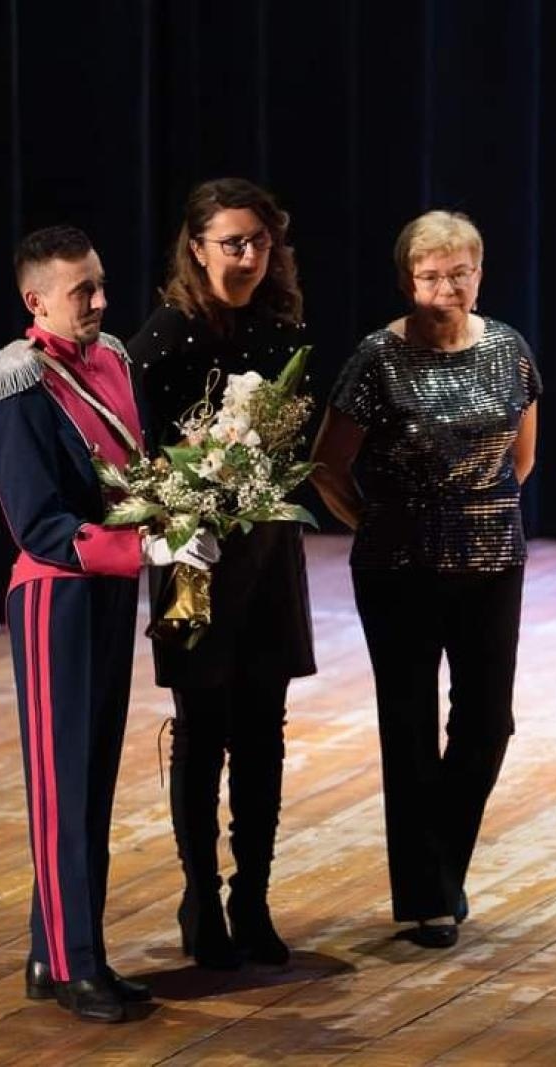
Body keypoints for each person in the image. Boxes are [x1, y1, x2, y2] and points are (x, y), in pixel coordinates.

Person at [0, 225, 218, 1023]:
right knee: (61, 789)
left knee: (88, 782)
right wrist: (144, 543)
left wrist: (181, 505)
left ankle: (54, 950)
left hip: (112, 591)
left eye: (100, 284)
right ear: (34, 299)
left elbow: (135, 467)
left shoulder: (113, 354)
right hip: (57, 594)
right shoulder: (16, 378)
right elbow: (36, 522)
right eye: (80, 290)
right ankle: (78, 964)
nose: (99, 301)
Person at [311, 210, 539, 950]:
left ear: (480, 273)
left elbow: (522, 458)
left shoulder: (508, 348)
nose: (447, 287)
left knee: (486, 724)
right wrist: (373, 522)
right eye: (431, 274)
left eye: (460, 272)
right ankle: (427, 896)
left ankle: (437, 863)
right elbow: (327, 463)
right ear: (408, 280)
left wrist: (478, 512)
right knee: (408, 727)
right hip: (398, 567)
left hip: (491, 558)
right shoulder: (377, 357)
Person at [127, 178, 316, 969]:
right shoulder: (166, 335)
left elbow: (293, 444)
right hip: (191, 560)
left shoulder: (282, 329)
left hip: (267, 555)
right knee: (202, 729)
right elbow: (133, 454)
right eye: (231, 242)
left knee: (262, 733)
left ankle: (256, 893)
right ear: (196, 247)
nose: (246, 256)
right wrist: (187, 503)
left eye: (259, 242)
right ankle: (200, 892)